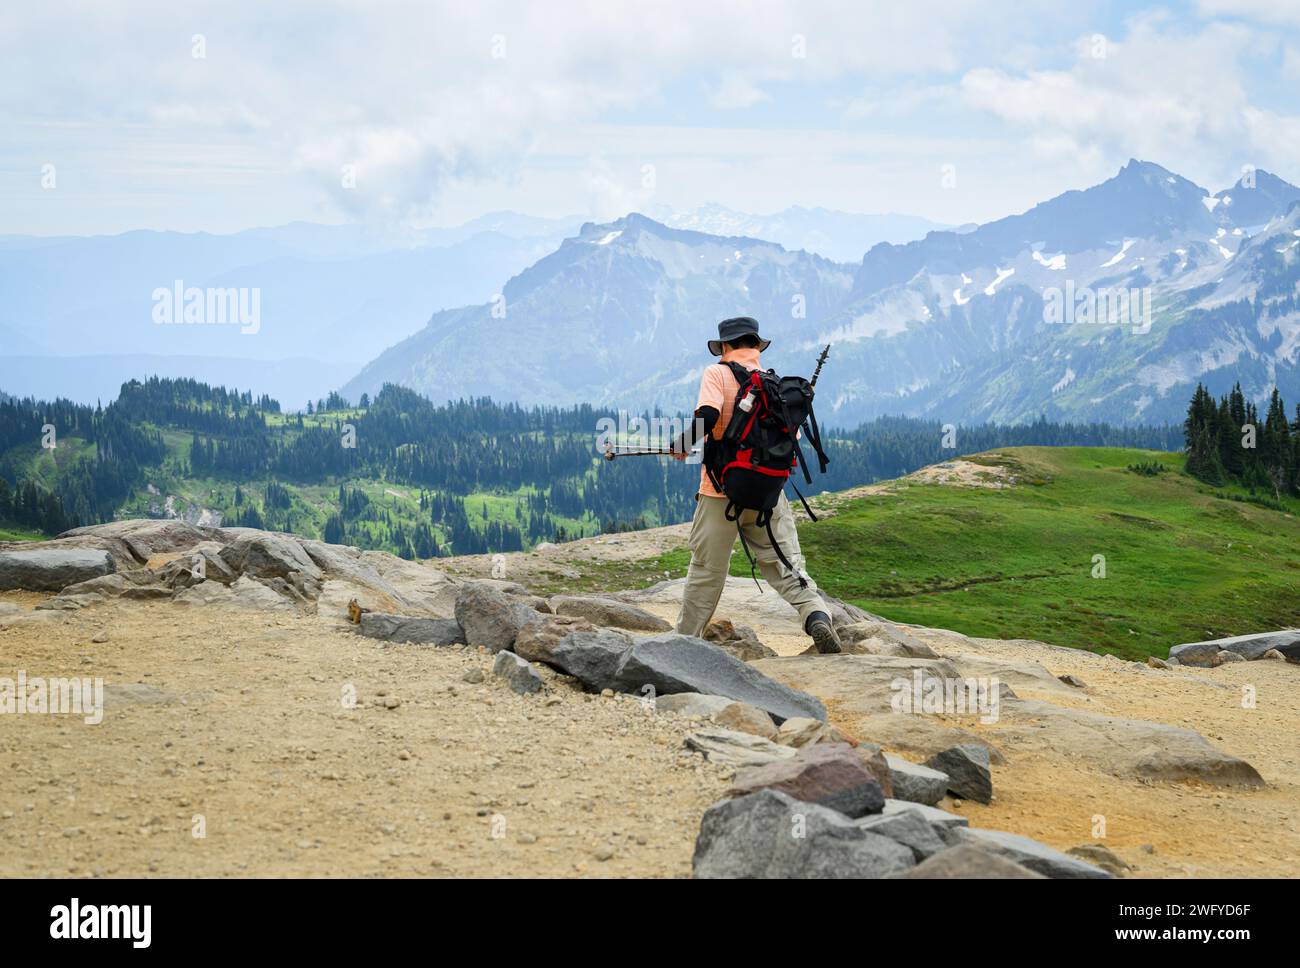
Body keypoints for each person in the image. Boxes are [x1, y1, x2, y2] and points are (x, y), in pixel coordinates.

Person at [668, 316, 842, 654]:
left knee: (707, 569)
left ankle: (683, 645)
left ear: (727, 347)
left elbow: (707, 414)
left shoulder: (717, 373)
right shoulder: (773, 384)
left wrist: (684, 442)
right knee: (784, 561)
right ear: (756, 346)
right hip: (768, 494)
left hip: (721, 493)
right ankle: (815, 613)